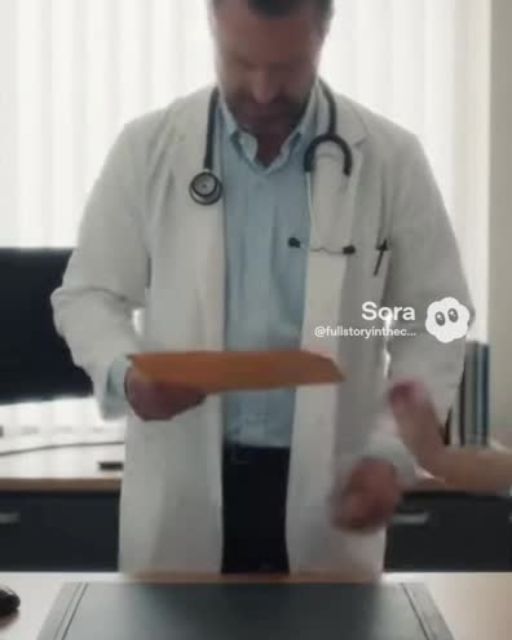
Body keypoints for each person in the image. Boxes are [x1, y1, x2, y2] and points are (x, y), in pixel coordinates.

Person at [51, 0, 474, 576]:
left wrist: (391, 452)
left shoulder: (390, 159)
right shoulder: (149, 148)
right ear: (212, 26)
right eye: (241, 62)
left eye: (287, 68)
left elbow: (436, 321)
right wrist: (125, 373)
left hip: (332, 487)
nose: (263, 90)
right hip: (184, 489)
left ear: (323, 34)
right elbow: (89, 295)